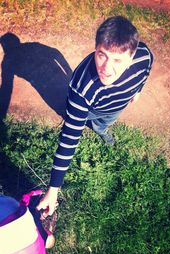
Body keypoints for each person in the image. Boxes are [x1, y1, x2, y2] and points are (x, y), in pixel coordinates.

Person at [37, 15, 153, 216]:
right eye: (102, 55)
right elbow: (69, 139)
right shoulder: (82, 89)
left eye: (117, 59)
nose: (106, 69)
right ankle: (94, 125)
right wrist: (53, 189)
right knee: (77, 119)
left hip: (114, 108)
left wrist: (138, 90)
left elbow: (148, 67)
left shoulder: (143, 56)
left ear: (132, 56)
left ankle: (101, 128)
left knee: (105, 122)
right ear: (96, 48)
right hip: (90, 105)